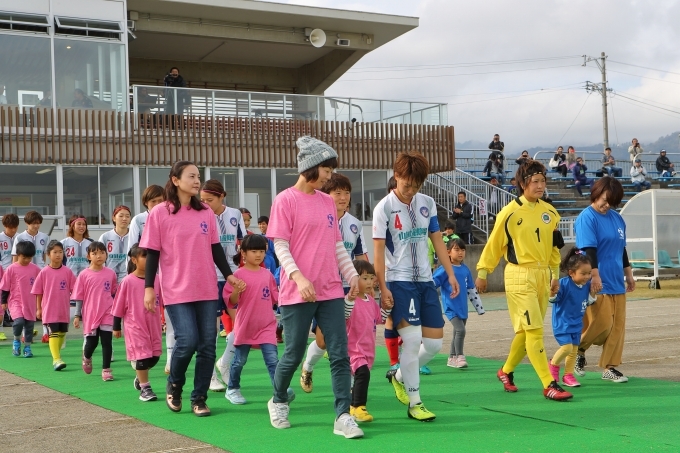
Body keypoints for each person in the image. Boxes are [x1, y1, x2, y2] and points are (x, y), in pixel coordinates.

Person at [266, 136, 363, 438]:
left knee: (339, 353)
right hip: (297, 293)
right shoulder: (285, 200)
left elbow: (337, 246)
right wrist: (298, 277)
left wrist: (352, 275)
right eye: (326, 168)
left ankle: (342, 416)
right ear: (310, 166)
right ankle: (279, 399)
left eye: (331, 169)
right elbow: (280, 245)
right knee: (293, 354)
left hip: (331, 290)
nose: (330, 175)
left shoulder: (327, 202)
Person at [140, 161, 245, 417]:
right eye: (191, 176)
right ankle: (175, 384)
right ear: (175, 180)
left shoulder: (205, 212)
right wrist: (149, 287)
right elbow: (152, 253)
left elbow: (215, 248)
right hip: (176, 289)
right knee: (186, 341)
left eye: (199, 176)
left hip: (206, 288)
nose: (197, 181)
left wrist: (229, 276)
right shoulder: (160, 213)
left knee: (208, 345)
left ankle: (199, 398)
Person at [476, 160, 573, 401]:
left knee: (525, 332)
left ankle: (505, 371)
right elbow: (494, 244)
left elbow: (554, 249)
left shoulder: (550, 212)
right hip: (519, 275)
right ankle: (549, 383)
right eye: (535, 181)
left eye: (543, 181)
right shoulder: (509, 213)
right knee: (535, 331)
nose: (540, 186)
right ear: (523, 183)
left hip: (542, 275)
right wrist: (483, 272)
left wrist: (554, 276)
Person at [375, 150, 460, 422]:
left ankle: (398, 375)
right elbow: (377, 254)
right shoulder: (384, 208)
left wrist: (451, 274)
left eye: (417, 185)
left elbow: (437, 240)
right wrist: (382, 288)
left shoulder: (427, 203)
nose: (411, 190)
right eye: (406, 183)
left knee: (434, 345)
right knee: (411, 341)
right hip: (398, 281)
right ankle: (415, 402)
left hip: (425, 280)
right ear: (396, 176)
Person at [299, 172, 368, 393]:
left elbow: (360, 257)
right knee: (323, 341)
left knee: (345, 339)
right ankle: (308, 366)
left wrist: (365, 284)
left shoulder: (354, 224)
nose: (343, 197)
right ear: (325, 194)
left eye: (347, 193)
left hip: (348, 288)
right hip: (322, 288)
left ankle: (347, 386)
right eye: (337, 192)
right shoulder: (315, 218)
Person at [574, 177, 635, 383]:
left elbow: (622, 250)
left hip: (617, 279)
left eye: (611, 202)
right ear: (596, 193)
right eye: (604, 199)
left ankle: (610, 367)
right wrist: (594, 275)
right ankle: (577, 349)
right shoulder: (587, 218)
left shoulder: (617, 219)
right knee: (602, 323)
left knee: (617, 327)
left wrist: (629, 274)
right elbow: (588, 249)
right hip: (597, 281)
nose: (606, 205)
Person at [223, 235, 293, 405]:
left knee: (272, 361)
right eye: (254, 251)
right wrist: (237, 290)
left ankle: (280, 391)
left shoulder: (267, 275)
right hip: (245, 325)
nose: (258, 255)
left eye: (262, 251)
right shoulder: (237, 275)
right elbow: (231, 301)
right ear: (244, 253)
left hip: (266, 326)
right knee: (239, 361)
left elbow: (276, 298)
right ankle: (232, 388)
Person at [199, 179, 246, 392]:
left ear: (221, 197)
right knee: (210, 330)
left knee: (242, 326)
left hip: (232, 278)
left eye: (210, 200)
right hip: (209, 277)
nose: (205, 204)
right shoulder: (199, 214)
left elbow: (242, 243)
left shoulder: (235, 214)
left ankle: (224, 362)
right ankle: (209, 376)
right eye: (202, 200)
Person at [112, 244, 163, 402]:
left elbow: (163, 301)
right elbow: (118, 306)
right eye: (144, 256)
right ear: (134, 260)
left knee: (154, 357)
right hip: (135, 326)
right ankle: (145, 388)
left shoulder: (157, 279)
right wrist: (116, 326)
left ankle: (140, 377)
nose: (149, 259)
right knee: (141, 357)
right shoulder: (128, 281)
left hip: (153, 325)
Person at [344, 260, 392, 422]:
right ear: (353, 279)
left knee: (356, 380)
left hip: (368, 350)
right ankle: (359, 407)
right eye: (365, 278)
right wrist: (350, 299)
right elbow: (344, 315)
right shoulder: (350, 300)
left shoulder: (370, 301)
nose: (370, 282)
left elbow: (379, 319)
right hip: (353, 349)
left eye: (371, 278)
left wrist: (387, 308)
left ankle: (351, 406)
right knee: (362, 374)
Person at [548, 247, 597, 388]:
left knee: (574, 350)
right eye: (583, 273)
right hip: (562, 323)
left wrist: (593, 293)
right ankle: (553, 365)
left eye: (589, 273)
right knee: (567, 348)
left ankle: (568, 375)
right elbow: (553, 300)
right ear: (571, 273)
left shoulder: (587, 285)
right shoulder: (564, 284)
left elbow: (589, 302)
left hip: (576, 323)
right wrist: (552, 293)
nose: (587, 276)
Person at [433, 238, 484, 369]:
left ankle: (451, 358)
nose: (460, 253)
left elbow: (471, 289)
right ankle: (460, 356)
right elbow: (432, 283)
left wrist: (479, 308)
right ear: (448, 252)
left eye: (462, 250)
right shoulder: (445, 269)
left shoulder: (466, 269)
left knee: (457, 332)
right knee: (461, 330)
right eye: (457, 250)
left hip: (463, 307)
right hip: (451, 307)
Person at [72, 241, 118, 381]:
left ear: (106, 255)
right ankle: (87, 356)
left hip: (107, 312)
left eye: (102, 253)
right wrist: (77, 315)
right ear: (89, 256)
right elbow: (79, 297)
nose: (99, 256)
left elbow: (113, 293)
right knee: (92, 342)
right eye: (95, 253)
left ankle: (106, 369)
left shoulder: (110, 273)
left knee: (107, 342)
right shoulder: (84, 275)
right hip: (91, 313)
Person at [32, 241, 75, 370]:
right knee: (54, 333)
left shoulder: (67, 272)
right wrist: (39, 308)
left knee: (62, 333)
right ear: (48, 255)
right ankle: (56, 359)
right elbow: (38, 292)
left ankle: (57, 356)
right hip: (49, 309)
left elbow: (75, 288)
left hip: (63, 309)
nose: (58, 255)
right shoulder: (44, 272)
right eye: (55, 252)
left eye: (60, 252)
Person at [1, 241, 40, 357]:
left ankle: (27, 347)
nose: (27, 260)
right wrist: (3, 301)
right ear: (18, 254)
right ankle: (16, 340)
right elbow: (5, 286)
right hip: (15, 301)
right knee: (18, 322)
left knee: (29, 326)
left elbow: (42, 286)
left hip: (30, 302)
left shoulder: (36, 269)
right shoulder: (11, 269)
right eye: (24, 257)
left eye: (29, 258)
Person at [99, 206, 131, 283]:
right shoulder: (105, 237)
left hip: (128, 279)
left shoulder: (135, 236)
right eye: (121, 216)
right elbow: (98, 258)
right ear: (114, 218)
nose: (124, 219)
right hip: (108, 279)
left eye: (127, 216)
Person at [0, 213, 19, 341]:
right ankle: (1, 330)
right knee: (2, 301)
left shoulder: (21, 238)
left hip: (17, 273)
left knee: (18, 298)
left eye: (15, 227)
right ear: (5, 226)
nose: (12, 230)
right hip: (2, 272)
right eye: (10, 227)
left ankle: (23, 327)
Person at [128, 185, 165, 251]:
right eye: (153, 201)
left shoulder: (170, 218)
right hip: (146, 258)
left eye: (160, 201)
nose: (157, 204)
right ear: (146, 202)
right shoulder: (138, 219)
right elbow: (132, 246)